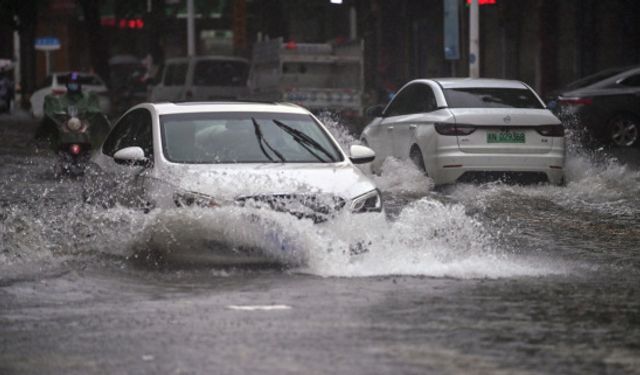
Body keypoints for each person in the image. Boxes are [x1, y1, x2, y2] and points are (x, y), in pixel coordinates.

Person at [37, 72, 110, 148]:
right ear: (67, 84)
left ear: (80, 84)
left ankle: (102, 145)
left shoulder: (89, 98)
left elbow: (95, 111)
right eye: (71, 83)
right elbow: (52, 113)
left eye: (75, 83)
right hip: (64, 136)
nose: (73, 85)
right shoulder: (58, 100)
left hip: (86, 135)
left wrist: (89, 115)